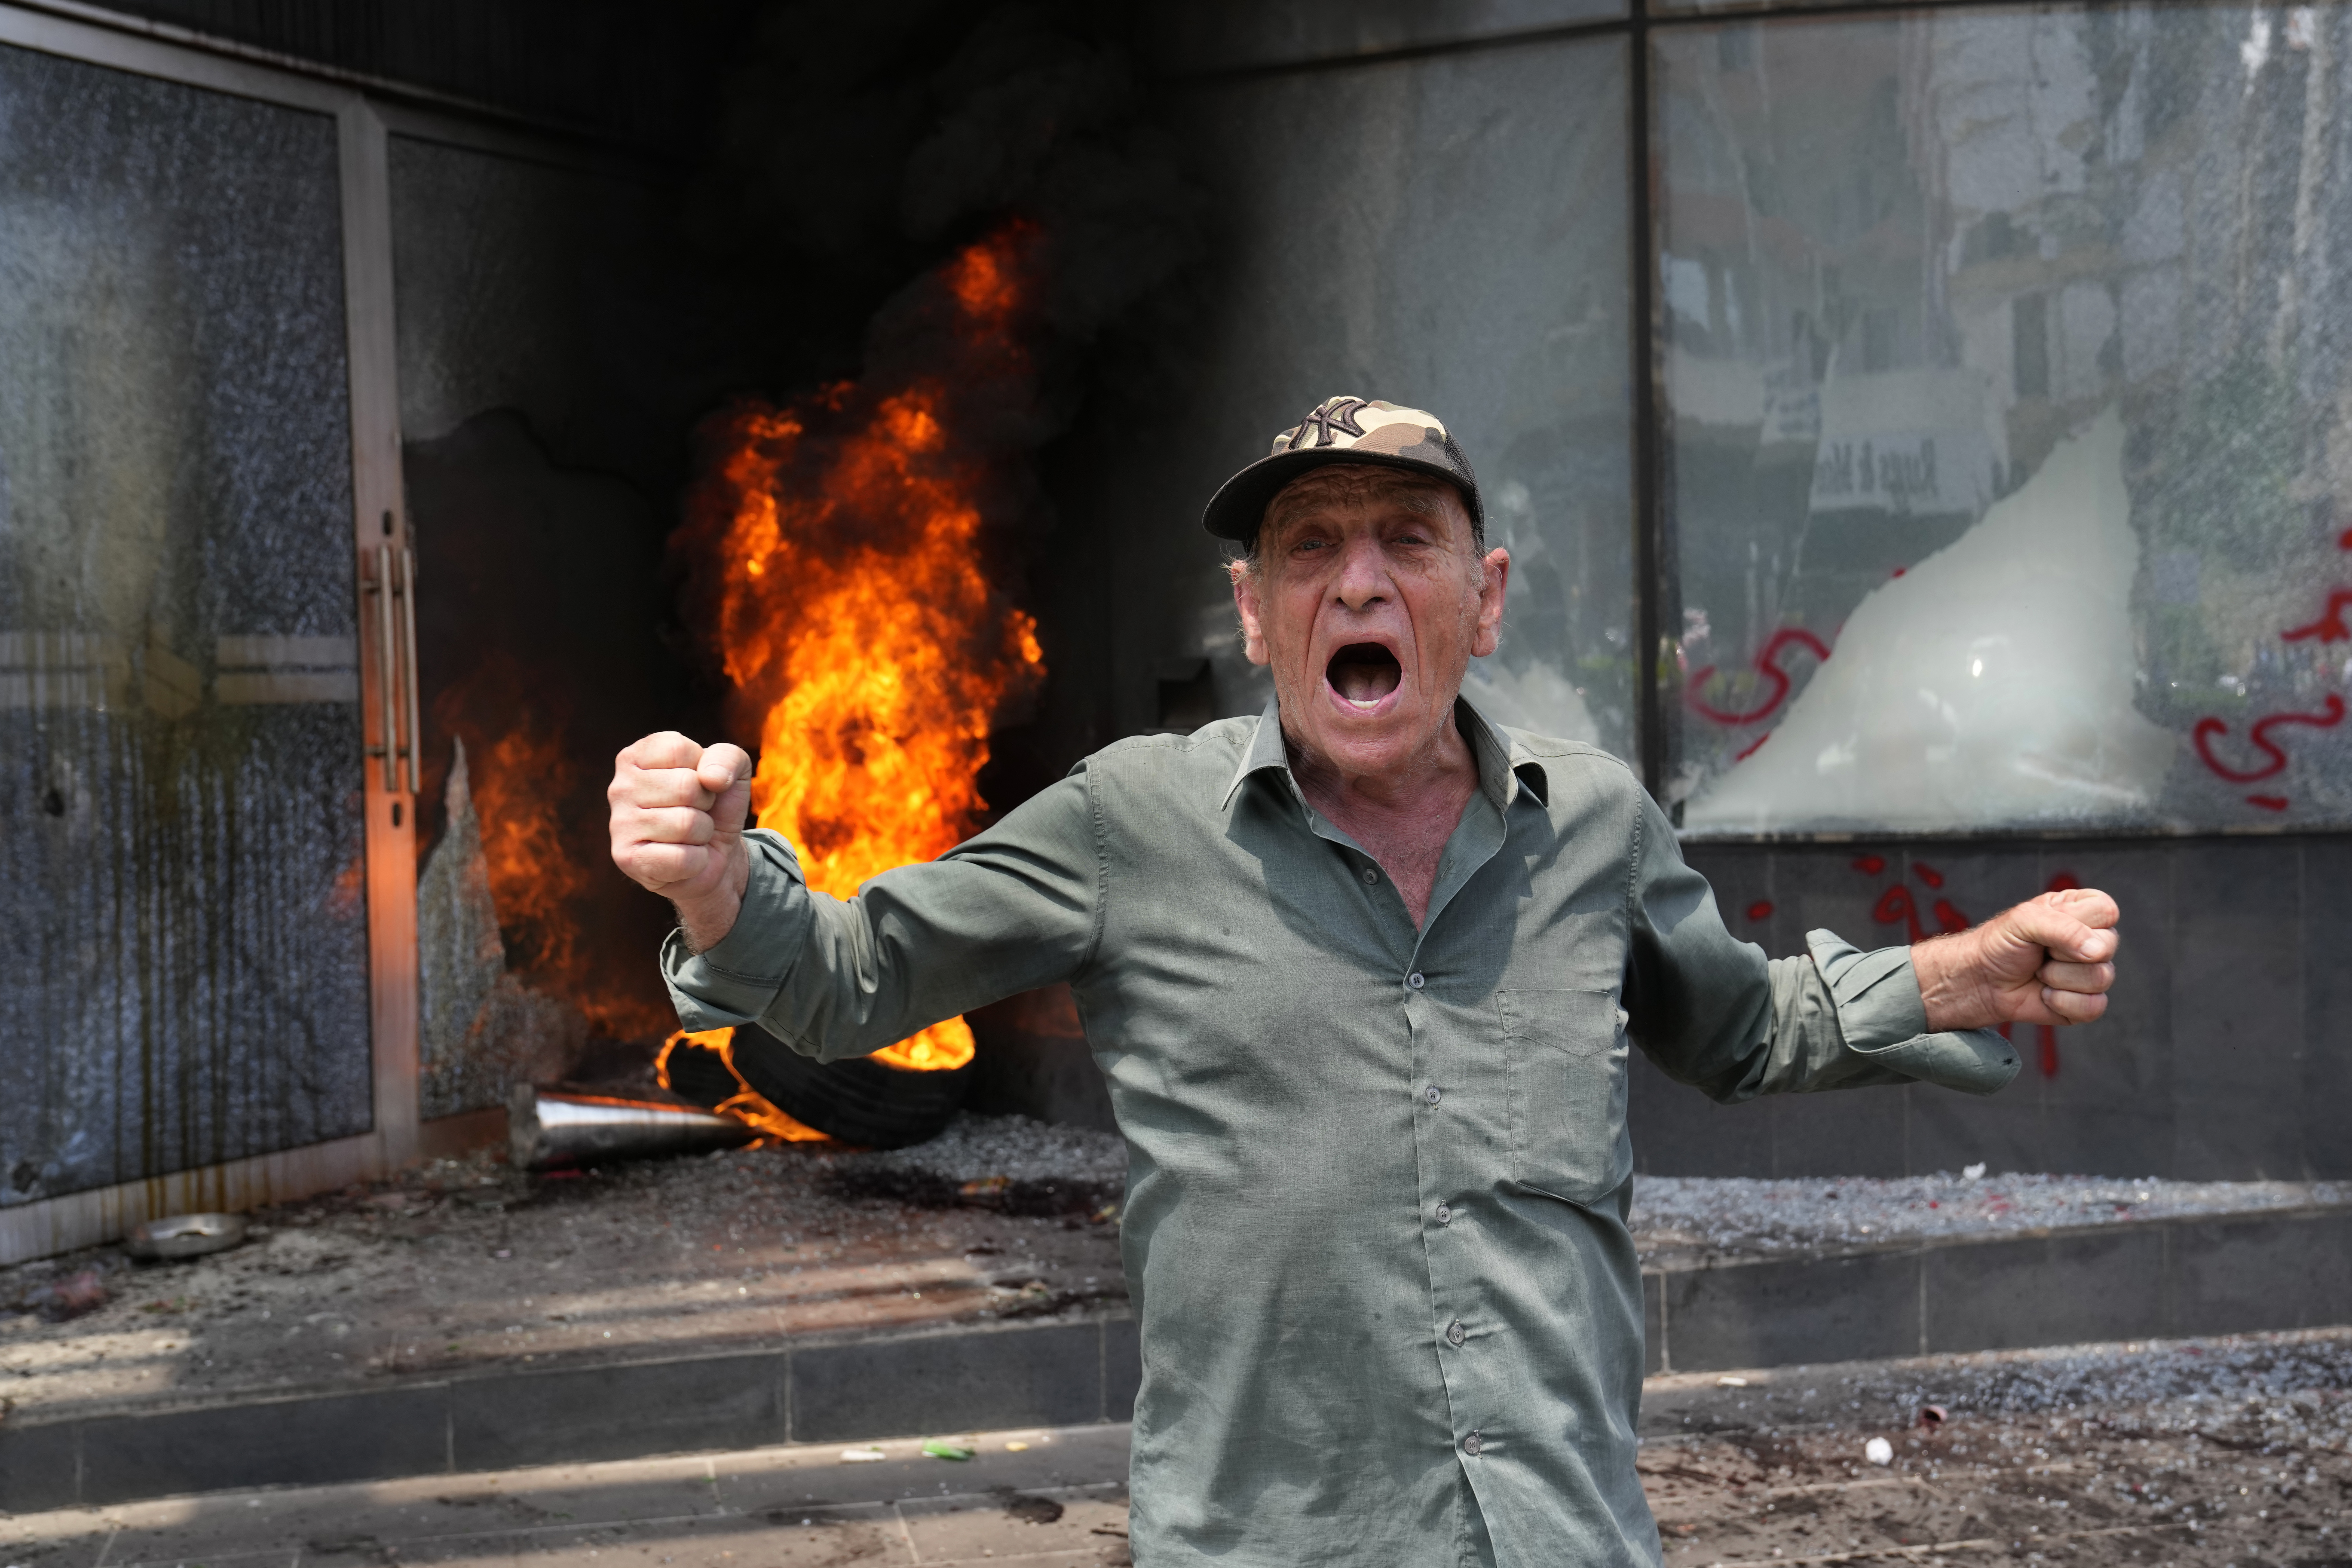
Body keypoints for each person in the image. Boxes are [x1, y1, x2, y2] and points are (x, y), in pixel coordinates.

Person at [608, 397, 2120, 1566]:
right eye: (1310, 550)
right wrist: (719, 886)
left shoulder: (1596, 824)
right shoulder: (1129, 820)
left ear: (1487, 592)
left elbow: (1743, 1028)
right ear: (1256, 613)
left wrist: (1955, 974)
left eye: (1406, 539)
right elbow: (849, 978)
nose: (1359, 582)